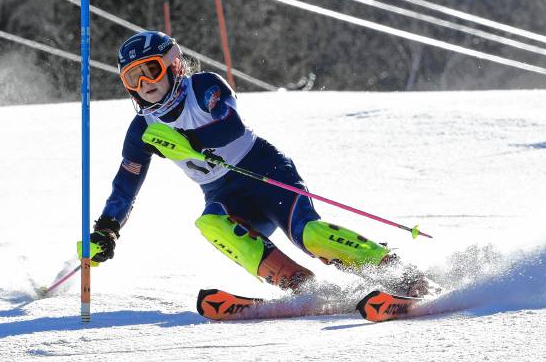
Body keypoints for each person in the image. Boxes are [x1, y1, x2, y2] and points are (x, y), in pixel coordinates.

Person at [87, 30, 421, 294]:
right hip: (224, 195)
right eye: (133, 79)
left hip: (263, 171)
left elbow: (230, 125)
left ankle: (390, 267)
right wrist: (107, 229)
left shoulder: (203, 87)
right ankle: (300, 286)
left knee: (310, 235)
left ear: (173, 65)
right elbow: (126, 184)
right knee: (211, 223)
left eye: (151, 71)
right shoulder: (143, 130)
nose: (145, 85)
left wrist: (194, 142)